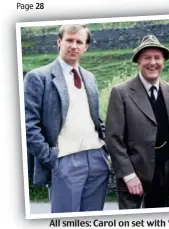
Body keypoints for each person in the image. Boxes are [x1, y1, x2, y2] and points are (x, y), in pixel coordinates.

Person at [24, 24, 110, 213]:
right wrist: (50, 158)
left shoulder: (90, 77)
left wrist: (105, 149)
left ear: (85, 47)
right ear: (59, 42)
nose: (74, 45)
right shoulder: (38, 77)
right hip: (64, 160)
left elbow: (95, 118)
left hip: (97, 159)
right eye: (69, 40)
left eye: (79, 41)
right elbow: (28, 126)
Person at [105, 35, 169, 209]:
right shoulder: (121, 93)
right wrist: (128, 175)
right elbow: (113, 138)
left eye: (157, 58)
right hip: (134, 175)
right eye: (147, 57)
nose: (152, 62)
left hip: (163, 172)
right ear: (138, 61)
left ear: (163, 61)